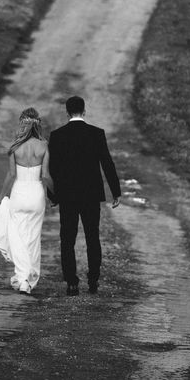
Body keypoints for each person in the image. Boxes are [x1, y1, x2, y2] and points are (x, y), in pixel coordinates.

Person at [48, 96, 121, 296]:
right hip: (90, 195)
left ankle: (71, 282)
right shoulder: (96, 134)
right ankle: (93, 280)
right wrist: (116, 191)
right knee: (92, 237)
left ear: (67, 112)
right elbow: (107, 163)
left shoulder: (57, 135)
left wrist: (52, 196)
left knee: (67, 238)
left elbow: (52, 169)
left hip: (68, 196)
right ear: (84, 111)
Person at [0, 107, 53, 295]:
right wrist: (55, 194)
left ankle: (22, 276)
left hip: (19, 193)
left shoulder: (15, 147)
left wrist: (1, 197)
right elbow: (45, 175)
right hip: (36, 194)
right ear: (37, 125)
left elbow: (11, 175)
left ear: (22, 125)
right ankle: (27, 278)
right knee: (32, 238)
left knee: (17, 236)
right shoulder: (44, 145)